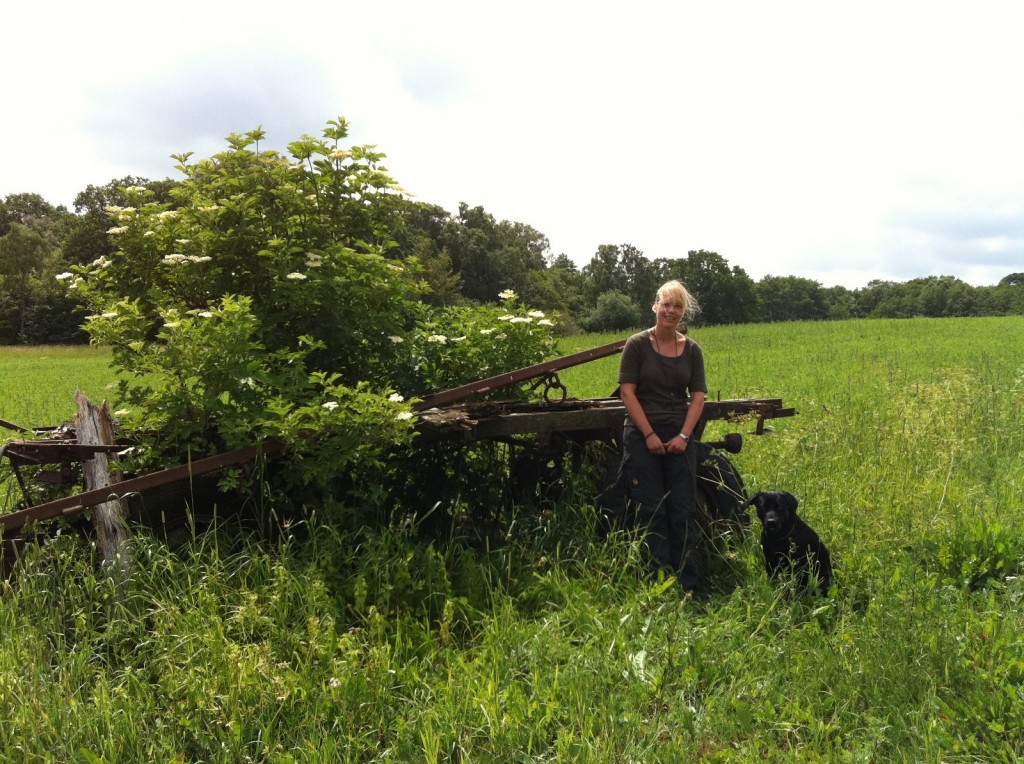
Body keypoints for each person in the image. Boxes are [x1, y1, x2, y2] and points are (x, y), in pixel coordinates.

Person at [617, 280, 708, 593]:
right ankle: (660, 582)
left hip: (679, 435)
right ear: (655, 306)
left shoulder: (692, 349)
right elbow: (627, 394)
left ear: (683, 312)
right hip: (643, 434)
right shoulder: (637, 345)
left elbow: (698, 397)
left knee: (682, 509)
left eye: (677, 306)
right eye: (665, 304)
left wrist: (685, 435)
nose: (670, 311)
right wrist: (649, 435)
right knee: (651, 510)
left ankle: (689, 585)